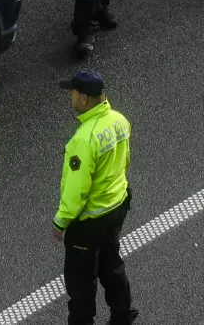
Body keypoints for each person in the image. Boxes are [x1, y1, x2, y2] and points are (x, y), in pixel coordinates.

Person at [54, 70, 138, 325]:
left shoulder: (83, 139)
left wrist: (61, 222)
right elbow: (125, 161)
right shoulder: (119, 120)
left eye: (72, 92)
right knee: (111, 263)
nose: (69, 95)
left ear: (83, 98)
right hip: (117, 206)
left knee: (80, 281)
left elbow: (77, 188)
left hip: (90, 220)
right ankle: (122, 314)